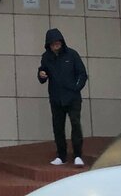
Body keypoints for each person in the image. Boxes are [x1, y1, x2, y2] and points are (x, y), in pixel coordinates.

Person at [38, 27, 88, 166]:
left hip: (73, 98)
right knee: (58, 127)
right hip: (56, 98)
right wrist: (41, 75)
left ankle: (77, 155)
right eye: (53, 43)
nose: (56, 45)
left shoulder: (72, 55)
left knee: (75, 124)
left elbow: (82, 74)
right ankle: (61, 155)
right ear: (48, 44)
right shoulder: (46, 57)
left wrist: (76, 88)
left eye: (58, 42)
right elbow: (43, 73)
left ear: (62, 42)